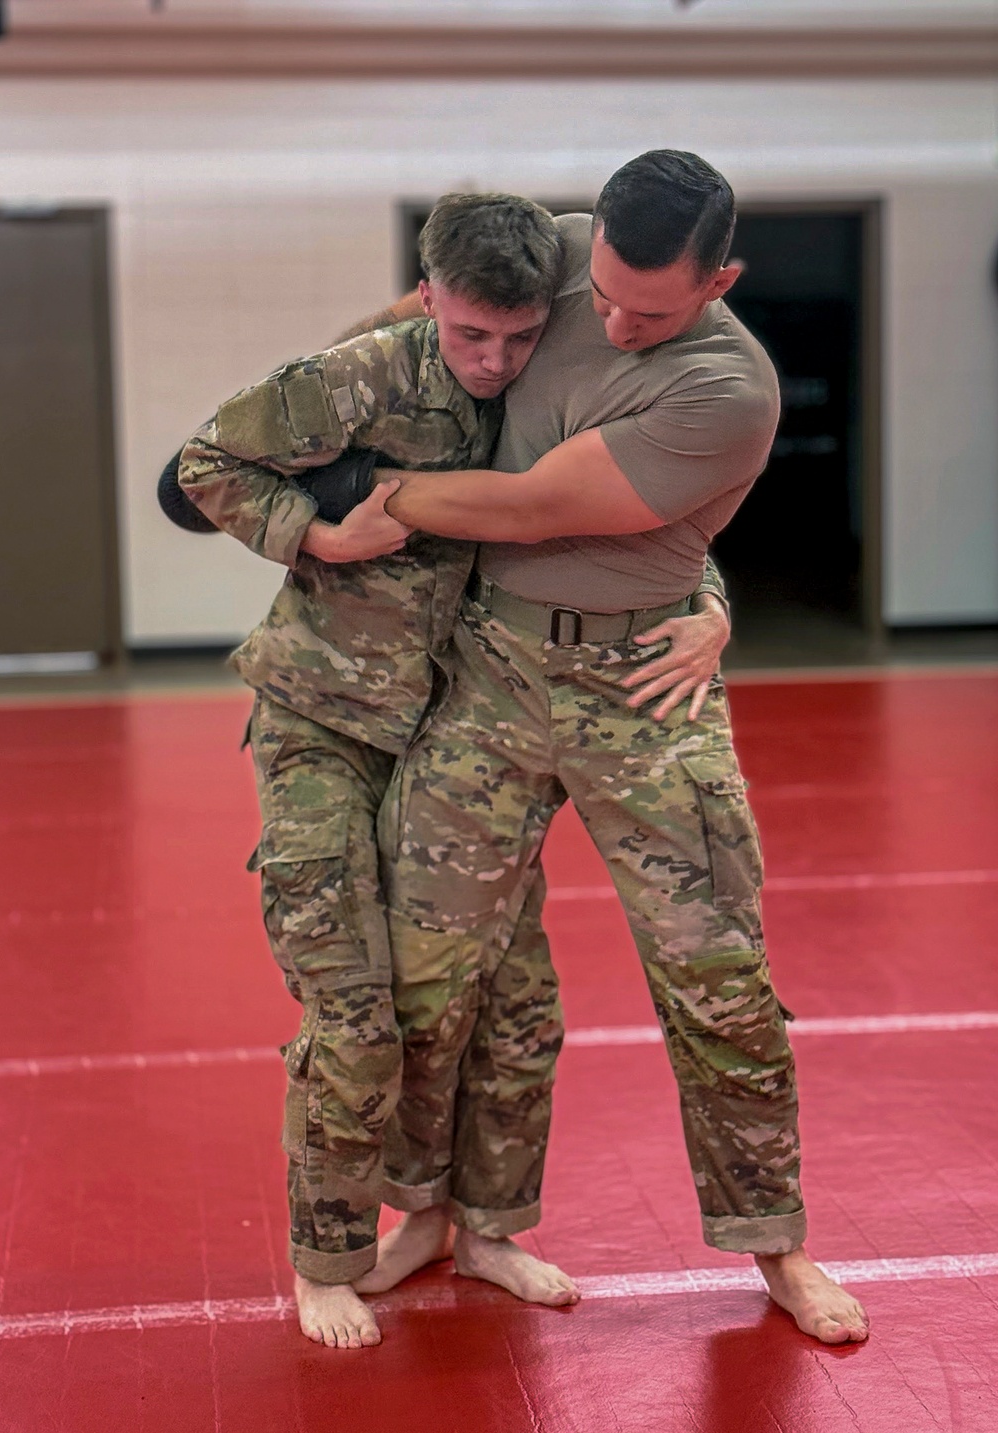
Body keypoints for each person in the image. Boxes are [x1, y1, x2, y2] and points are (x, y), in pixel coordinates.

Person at [176, 190, 731, 1350]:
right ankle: (325, 1253)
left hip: (467, 735)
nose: (493, 361)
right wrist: (319, 535)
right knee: (356, 1008)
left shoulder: (548, 384)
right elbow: (202, 464)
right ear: (429, 297)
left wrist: (714, 610)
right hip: (324, 726)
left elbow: (648, 523)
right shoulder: (364, 375)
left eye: (518, 337)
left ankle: (480, 1226)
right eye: (471, 334)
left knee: (516, 1009)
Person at [340, 151, 870, 1346]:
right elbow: (436, 309)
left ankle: (776, 1243)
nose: (617, 320)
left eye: (653, 309)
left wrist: (377, 490)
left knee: (717, 980)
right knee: (436, 970)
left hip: (642, 690)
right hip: (491, 670)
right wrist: (325, 386)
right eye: (608, 295)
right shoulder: (568, 250)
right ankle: (443, 1214)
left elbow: (533, 505)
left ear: (720, 279)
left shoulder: (729, 387)